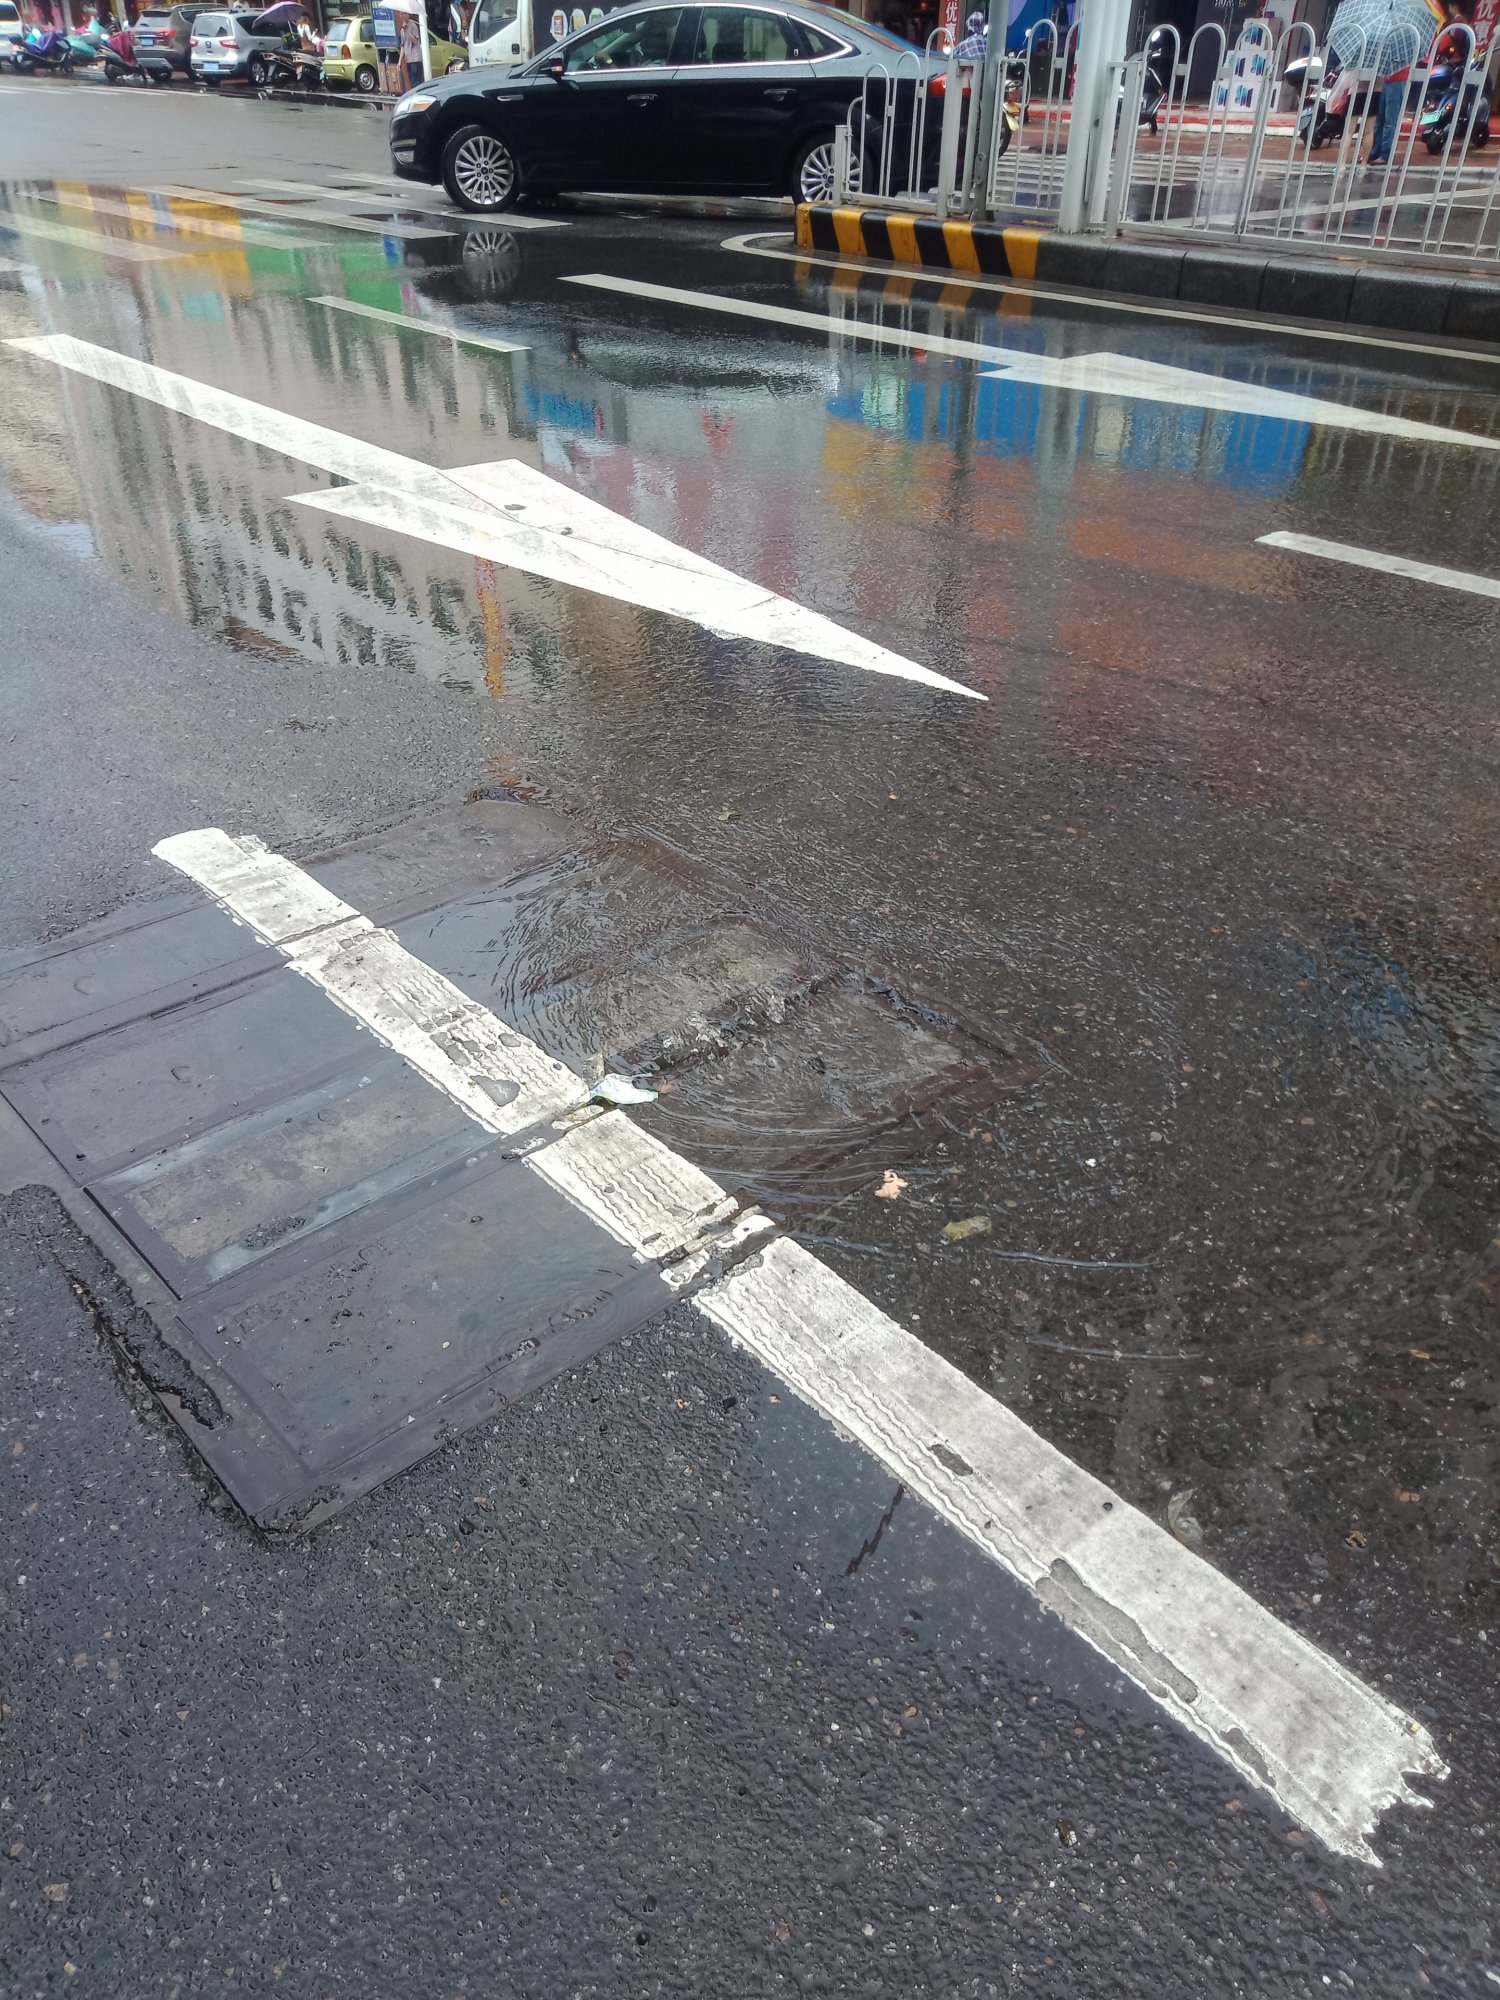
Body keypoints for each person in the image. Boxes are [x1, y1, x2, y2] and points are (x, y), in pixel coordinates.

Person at [1366, 3, 1429, 164]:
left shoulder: (1408, 33)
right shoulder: (1387, 32)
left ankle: (1385, 154)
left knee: (1390, 120)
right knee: (1379, 120)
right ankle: (1374, 151)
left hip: (1398, 81)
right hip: (1385, 80)